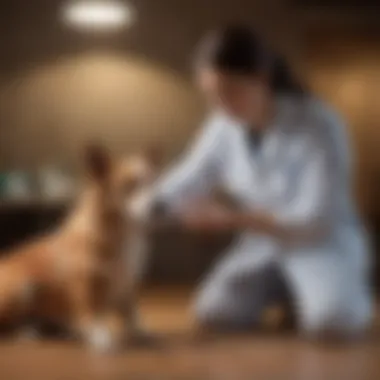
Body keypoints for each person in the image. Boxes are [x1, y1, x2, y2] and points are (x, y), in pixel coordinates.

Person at [151, 26, 373, 337]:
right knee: (214, 314)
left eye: (230, 90)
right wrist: (147, 206)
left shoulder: (319, 123)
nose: (221, 104)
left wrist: (230, 219)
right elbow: (187, 178)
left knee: (331, 322)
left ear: (262, 79)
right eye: (212, 94)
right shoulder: (222, 125)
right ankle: (292, 294)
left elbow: (316, 218)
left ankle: (329, 294)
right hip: (265, 244)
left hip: (321, 244)